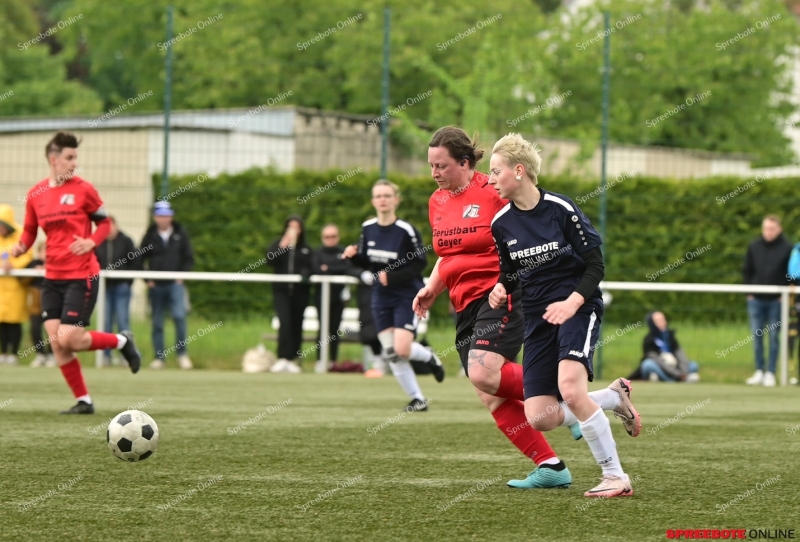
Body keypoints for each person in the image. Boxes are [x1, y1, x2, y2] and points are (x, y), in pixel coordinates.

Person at [414, 126, 632, 490]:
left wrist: (548, 291)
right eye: (431, 166)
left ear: (465, 163)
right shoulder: (437, 202)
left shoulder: (495, 192)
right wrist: (431, 287)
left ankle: (582, 413)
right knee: (488, 390)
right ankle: (551, 464)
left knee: (483, 372)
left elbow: (530, 233)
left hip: (503, 297)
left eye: (441, 165)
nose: (434, 173)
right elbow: (448, 256)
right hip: (465, 302)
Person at [487, 132, 640, 497]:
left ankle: (615, 476)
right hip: (538, 318)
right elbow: (511, 271)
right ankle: (614, 396)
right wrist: (502, 287)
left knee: (571, 389)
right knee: (541, 417)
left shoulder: (561, 209)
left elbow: (595, 265)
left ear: (518, 171)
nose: (490, 179)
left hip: (577, 307)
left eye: (495, 171)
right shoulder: (501, 223)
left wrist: (572, 302)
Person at [10, 132, 141, 414]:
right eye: (69, 158)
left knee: (69, 339)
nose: (74, 164)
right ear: (53, 160)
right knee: (58, 344)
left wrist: (92, 241)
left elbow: (104, 224)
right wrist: (20, 248)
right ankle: (84, 401)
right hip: (52, 278)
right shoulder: (36, 195)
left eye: (75, 158)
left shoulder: (84, 189)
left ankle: (122, 341)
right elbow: (31, 231)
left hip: (82, 276)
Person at [343, 179, 444, 412]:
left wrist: (393, 275)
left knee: (402, 349)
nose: (383, 200)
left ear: (396, 200)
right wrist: (353, 257)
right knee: (392, 352)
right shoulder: (367, 227)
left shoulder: (406, 231)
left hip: (406, 295)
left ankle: (429, 357)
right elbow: (368, 262)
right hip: (380, 296)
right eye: (378, 196)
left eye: (387, 195)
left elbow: (420, 262)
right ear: (373, 201)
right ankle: (417, 399)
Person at [138, 201, 195, 370]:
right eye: (160, 215)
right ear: (155, 217)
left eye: (167, 215)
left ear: (171, 216)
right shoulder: (149, 235)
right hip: (157, 287)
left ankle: (182, 354)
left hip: (175, 285)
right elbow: (139, 259)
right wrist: (147, 280)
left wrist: (181, 276)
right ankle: (159, 357)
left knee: (179, 317)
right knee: (157, 322)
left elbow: (189, 257)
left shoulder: (180, 234)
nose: (164, 219)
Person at [743, 214, 791, 387]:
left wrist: (783, 293)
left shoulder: (787, 248)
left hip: (776, 301)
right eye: (766, 229)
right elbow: (747, 270)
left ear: (779, 229)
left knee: (773, 337)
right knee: (757, 336)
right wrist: (748, 292)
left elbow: (791, 273)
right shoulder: (754, 246)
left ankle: (771, 372)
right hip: (756, 299)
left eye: (772, 229)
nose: (768, 232)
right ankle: (759, 371)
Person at [267, 215, 313, 374]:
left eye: (297, 227)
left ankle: (293, 358)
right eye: (290, 226)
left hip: (300, 293)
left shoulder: (306, 249)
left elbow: (311, 266)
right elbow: (269, 260)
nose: (293, 230)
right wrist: (282, 246)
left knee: (297, 323)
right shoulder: (278, 244)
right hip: (281, 292)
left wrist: (304, 274)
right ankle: (283, 357)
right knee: (284, 322)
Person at [94, 216, 136, 366]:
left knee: (123, 320)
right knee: (105, 321)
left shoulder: (126, 241)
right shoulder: (98, 242)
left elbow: (134, 261)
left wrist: (127, 282)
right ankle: (106, 356)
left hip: (121, 287)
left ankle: (128, 356)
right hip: (105, 287)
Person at [312, 223, 352, 372]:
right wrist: (331, 269)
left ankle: (333, 361)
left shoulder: (343, 251)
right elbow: (316, 269)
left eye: (333, 236)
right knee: (322, 328)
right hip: (321, 298)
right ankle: (320, 361)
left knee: (335, 330)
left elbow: (346, 268)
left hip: (338, 297)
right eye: (327, 236)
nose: (330, 239)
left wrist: (328, 268)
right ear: (323, 238)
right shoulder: (317, 253)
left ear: (338, 237)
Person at [0, 204, 32, 365]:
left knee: (14, 320)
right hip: (1, 287)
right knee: (2, 321)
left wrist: (14, 265)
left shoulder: (21, 234)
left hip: (16, 286)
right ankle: (3, 352)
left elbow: (28, 255)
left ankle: (14, 353)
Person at [628, 311, 700, 382]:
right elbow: (658, 361)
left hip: (675, 366)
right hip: (661, 367)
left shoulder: (670, 336)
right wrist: (677, 374)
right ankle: (673, 380)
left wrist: (683, 372)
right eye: (658, 321)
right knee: (647, 365)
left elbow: (680, 355)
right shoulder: (649, 339)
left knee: (693, 365)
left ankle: (671, 378)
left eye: (663, 319)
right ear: (652, 323)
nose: (662, 322)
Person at [26, 242, 55, 367]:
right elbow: (22, 279)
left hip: (51, 303)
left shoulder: (56, 264)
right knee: (35, 329)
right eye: (43, 251)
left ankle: (52, 354)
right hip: (36, 304)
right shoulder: (33, 263)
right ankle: (40, 354)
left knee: (51, 330)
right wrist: (34, 272)